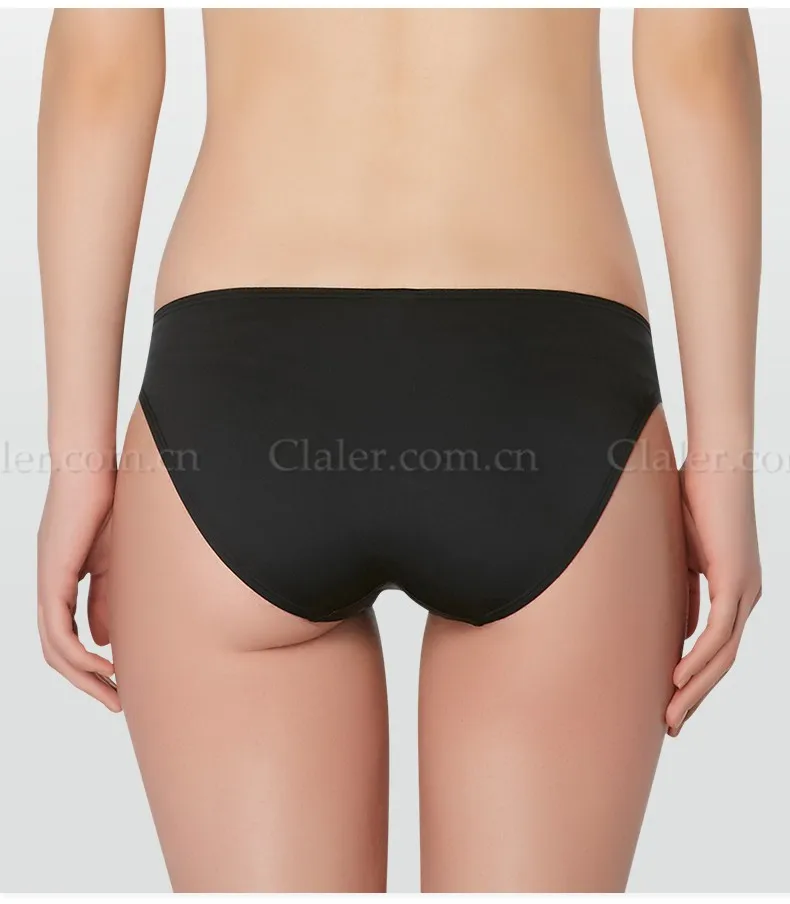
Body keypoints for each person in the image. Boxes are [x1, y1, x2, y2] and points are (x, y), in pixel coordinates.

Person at [35, 9, 762, 893]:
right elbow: (695, 57)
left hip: (236, 392)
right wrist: (724, 459)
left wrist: (78, 464)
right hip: (548, 381)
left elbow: (101, 65)